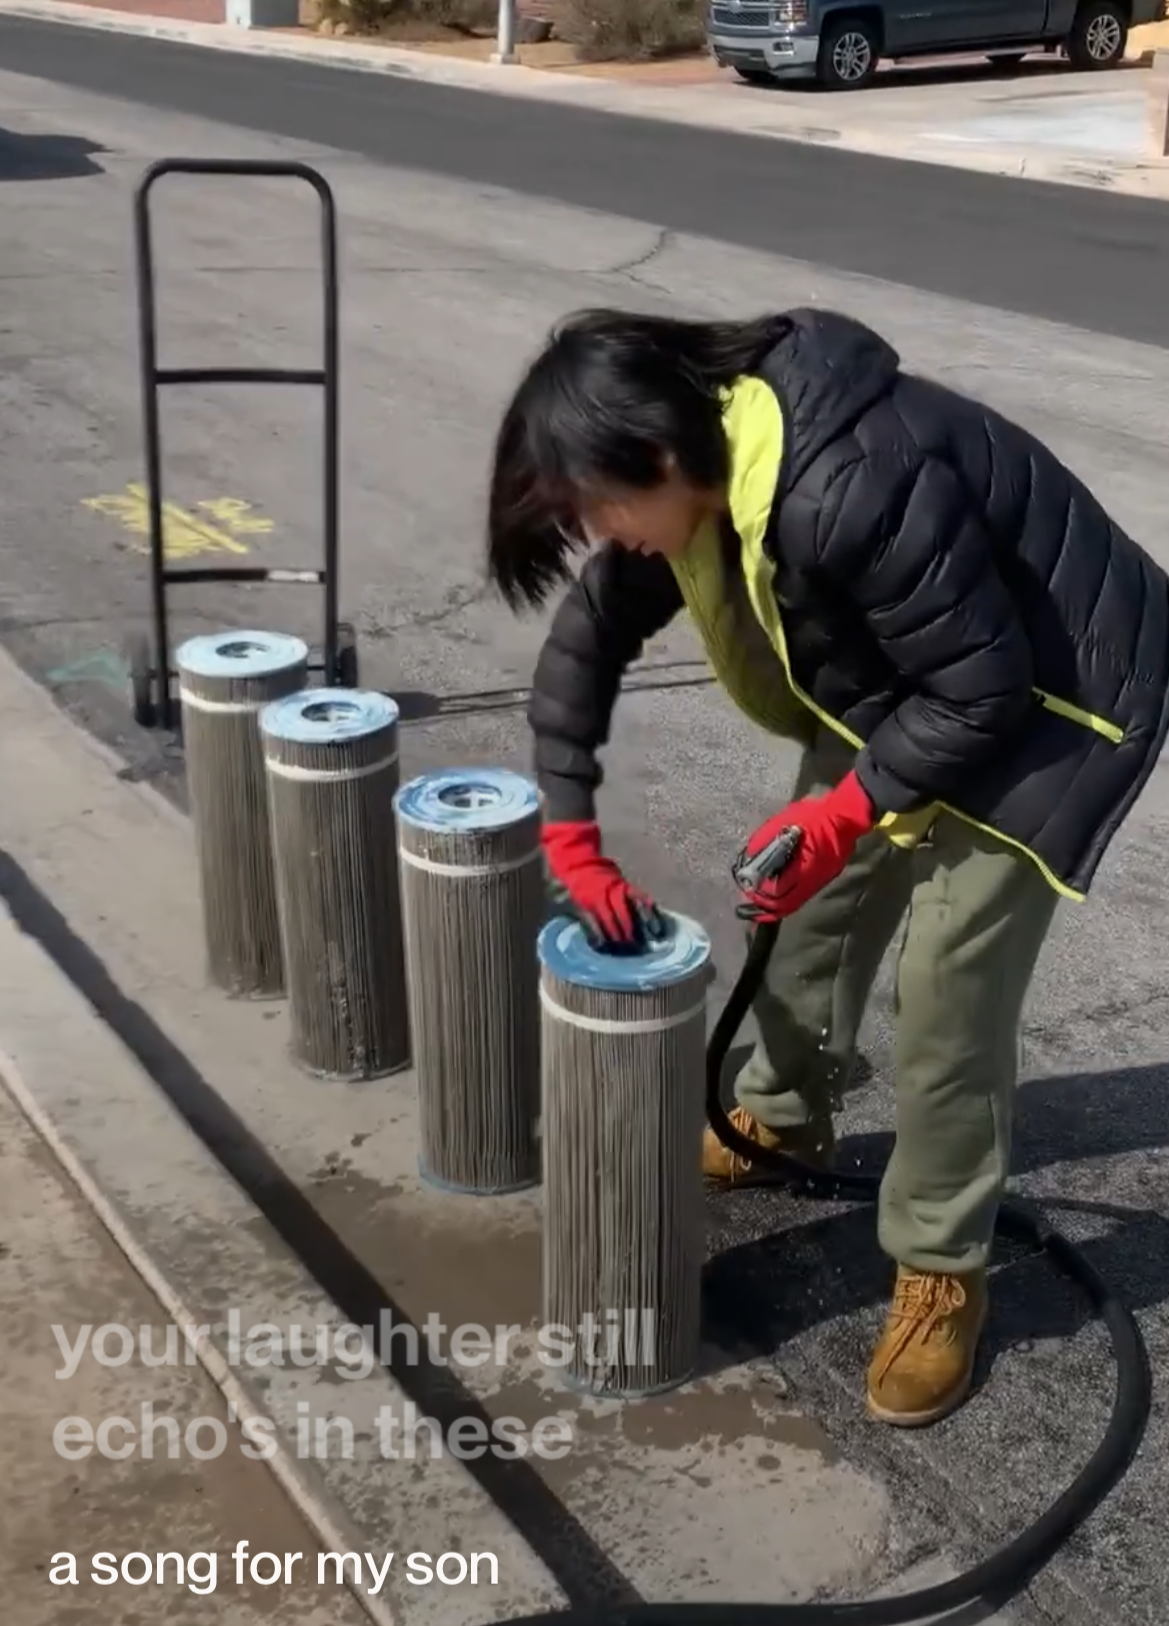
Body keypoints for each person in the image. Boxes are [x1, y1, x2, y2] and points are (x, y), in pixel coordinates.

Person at [484, 304, 1169, 1429]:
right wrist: (566, 830)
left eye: (602, 507)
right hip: (915, 679)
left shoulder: (846, 484)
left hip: (1056, 703)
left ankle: (941, 1261)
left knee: (947, 994)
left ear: (652, 455)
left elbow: (983, 689)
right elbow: (586, 641)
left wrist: (851, 807)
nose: (608, 534)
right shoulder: (696, 476)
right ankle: (785, 1109)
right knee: (803, 904)